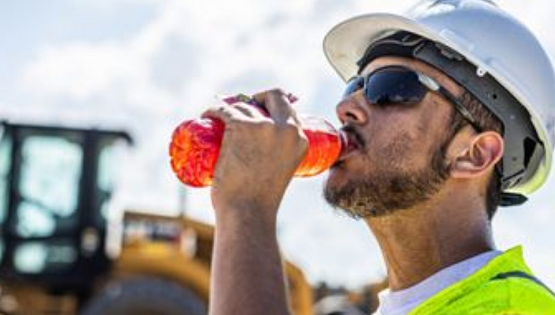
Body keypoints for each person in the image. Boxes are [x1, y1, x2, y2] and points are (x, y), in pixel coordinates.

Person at [204, 0, 555, 314]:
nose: (346, 108)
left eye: (392, 87)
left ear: (474, 154)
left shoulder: (512, 308)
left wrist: (246, 207)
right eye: (354, 86)